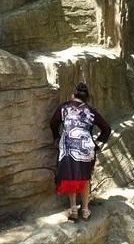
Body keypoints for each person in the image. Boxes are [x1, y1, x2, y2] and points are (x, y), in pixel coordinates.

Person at [49, 82, 111, 222]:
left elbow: (53, 123)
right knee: (85, 177)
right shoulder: (91, 110)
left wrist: (56, 137)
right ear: (86, 97)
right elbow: (106, 129)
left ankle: (73, 209)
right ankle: (85, 210)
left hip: (68, 147)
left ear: (73, 95)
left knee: (71, 176)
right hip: (86, 148)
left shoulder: (64, 107)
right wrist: (98, 144)